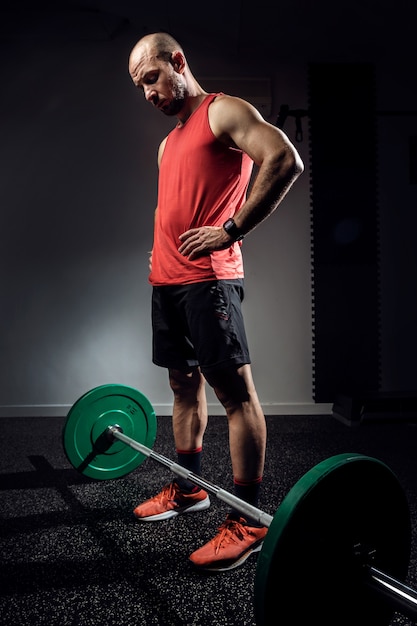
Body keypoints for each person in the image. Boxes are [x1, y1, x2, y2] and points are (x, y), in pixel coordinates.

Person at [128, 31, 304, 572]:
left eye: (153, 77)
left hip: (208, 281)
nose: (149, 93)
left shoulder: (223, 111)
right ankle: (189, 490)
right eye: (139, 86)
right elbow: (175, 207)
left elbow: (284, 160)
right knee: (183, 386)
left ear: (178, 62)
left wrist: (231, 229)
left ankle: (249, 518)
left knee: (235, 395)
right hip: (167, 283)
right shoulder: (167, 142)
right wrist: (157, 257)